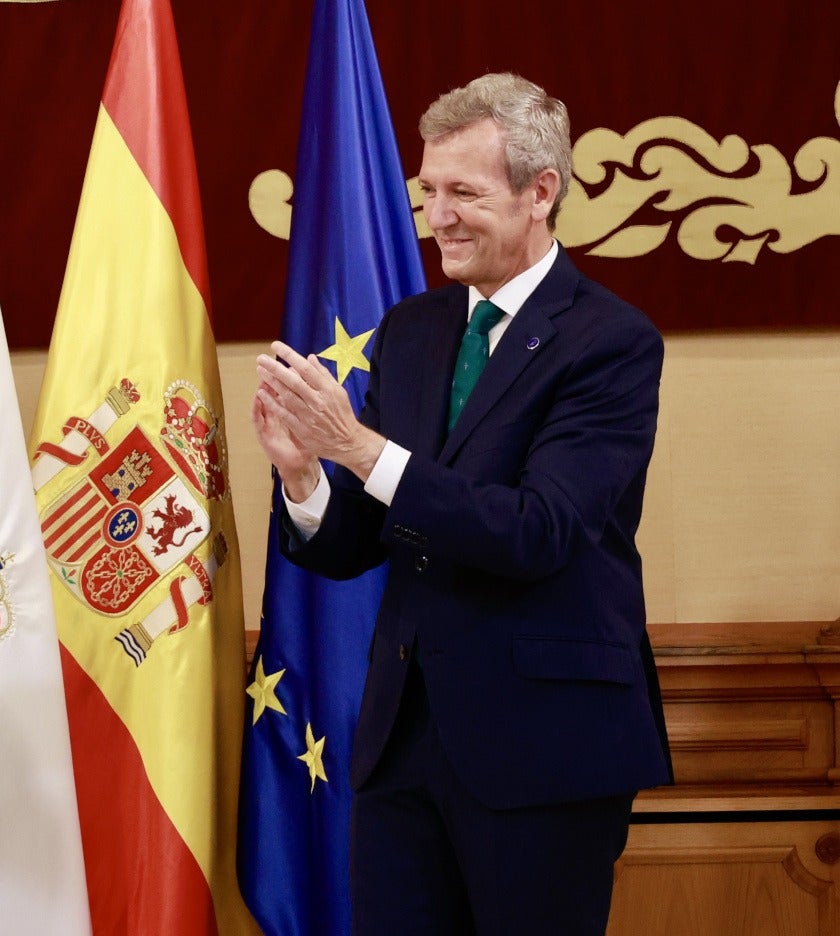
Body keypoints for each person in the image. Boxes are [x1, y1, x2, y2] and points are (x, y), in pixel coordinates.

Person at [253, 73, 672, 936]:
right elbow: (361, 537)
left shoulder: (611, 341)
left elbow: (538, 531)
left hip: (545, 747)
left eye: (464, 194)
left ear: (540, 192)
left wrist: (359, 449)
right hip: (402, 743)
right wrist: (304, 479)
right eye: (428, 191)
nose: (436, 217)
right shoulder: (413, 330)